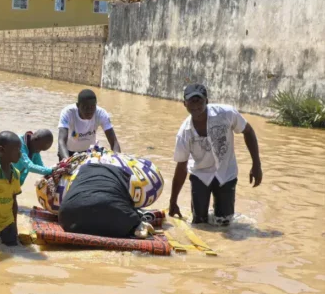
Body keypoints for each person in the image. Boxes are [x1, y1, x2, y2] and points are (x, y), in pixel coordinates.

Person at [168, 84, 263, 225]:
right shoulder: (184, 133)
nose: (195, 105)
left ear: (206, 101)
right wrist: (173, 201)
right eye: (191, 101)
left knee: (224, 223)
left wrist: (256, 164)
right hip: (200, 174)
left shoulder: (226, 114)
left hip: (226, 173)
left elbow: (248, 131)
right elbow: (181, 167)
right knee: (199, 222)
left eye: (199, 100)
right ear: (184, 104)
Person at [58, 160, 152, 239]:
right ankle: (136, 227)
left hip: (67, 218)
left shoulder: (83, 169)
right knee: (127, 214)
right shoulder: (120, 173)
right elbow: (129, 200)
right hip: (116, 218)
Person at [57, 89, 121, 161]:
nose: (89, 111)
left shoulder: (101, 114)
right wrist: (66, 161)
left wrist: (117, 159)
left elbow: (114, 142)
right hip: (68, 152)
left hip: (89, 153)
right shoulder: (68, 113)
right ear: (78, 106)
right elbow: (61, 141)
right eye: (85, 107)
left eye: (92, 107)